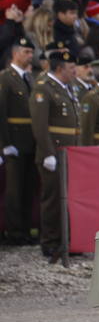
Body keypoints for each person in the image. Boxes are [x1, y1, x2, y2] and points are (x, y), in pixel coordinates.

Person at [30, 46, 82, 261]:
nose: (75, 72)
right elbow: (40, 125)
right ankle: (50, 242)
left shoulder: (66, 88)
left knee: (66, 199)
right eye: (71, 68)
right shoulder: (44, 88)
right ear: (60, 68)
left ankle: (65, 240)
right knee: (52, 199)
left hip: (68, 153)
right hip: (53, 153)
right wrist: (47, 153)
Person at [0, 36, 37, 245]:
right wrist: (4, 143)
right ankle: (14, 232)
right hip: (14, 140)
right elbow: (1, 112)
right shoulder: (5, 78)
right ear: (15, 53)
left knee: (27, 188)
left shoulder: (30, 78)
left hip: (30, 141)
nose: (29, 56)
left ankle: (24, 229)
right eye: (26, 52)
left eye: (31, 52)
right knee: (14, 190)